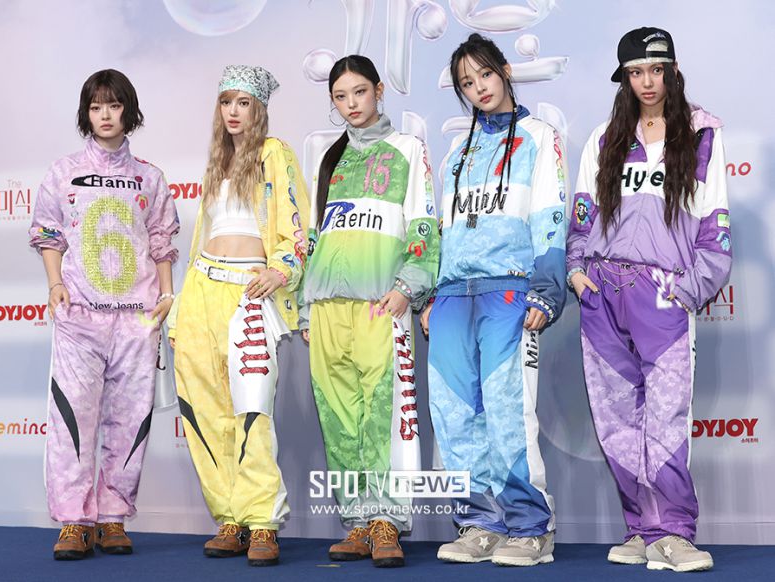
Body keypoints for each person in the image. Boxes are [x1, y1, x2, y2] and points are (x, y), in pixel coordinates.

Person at [566, 27, 731, 572]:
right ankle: (641, 528)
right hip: (602, 292)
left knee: (665, 418)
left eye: (656, 70)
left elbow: (715, 227)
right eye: (636, 72)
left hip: (663, 295)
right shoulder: (605, 138)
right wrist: (577, 272)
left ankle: (675, 532)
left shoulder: (701, 135)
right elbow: (583, 216)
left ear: (673, 71)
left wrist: (687, 289)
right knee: (615, 420)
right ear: (624, 79)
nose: (647, 82)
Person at [420, 33, 568, 567]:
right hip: (453, 296)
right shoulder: (456, 153)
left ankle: (531, 528)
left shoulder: (539, 137)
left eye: (485, 74)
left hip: (509, 289)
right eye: (467, 82)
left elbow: (550, 215)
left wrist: (546, 292)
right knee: (454, 414)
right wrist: (431, 295)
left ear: (505, 70)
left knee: (508, 413)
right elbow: (441, 231)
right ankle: (479, 523)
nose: (479, 87)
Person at [29, 69, 179, 560]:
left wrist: (166, 295)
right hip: (80, 318)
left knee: (129, 420)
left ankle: (113, 517)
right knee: (73, 419)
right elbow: (48, 232)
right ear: (86, 114)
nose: (106, 115)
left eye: (114, 106)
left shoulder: (150, 177)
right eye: (96, 107)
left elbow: (161, 240)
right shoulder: (63, 172)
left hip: (137, 319)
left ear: (128, 111)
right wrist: (55, 284)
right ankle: (75, 521)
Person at [300, 55, 439, 568]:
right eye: (340, 96)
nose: (351, 104)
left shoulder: (408, 148)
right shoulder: (329, 159)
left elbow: (424, 223)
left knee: (386, 413)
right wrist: (306, 308)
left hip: (383, 303)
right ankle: (357, 521)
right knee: (338, 417)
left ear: (379, 90)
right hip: (327, 308)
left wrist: (408, 287)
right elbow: (315, 237)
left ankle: (387, 521)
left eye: (359, 92)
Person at [168, 65, 309, 567]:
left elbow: (297, 223)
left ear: (259, 109)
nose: (233, 111)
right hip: (202, 289)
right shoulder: (216, 162)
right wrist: (180, 307)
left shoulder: (275, 153)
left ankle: (262, 520)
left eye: (243, 102)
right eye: (226, 101)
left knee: (252, 409)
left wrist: (282, 269)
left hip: (249, 290)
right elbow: (199, 239)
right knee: (205, 410)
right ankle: (230, 517)